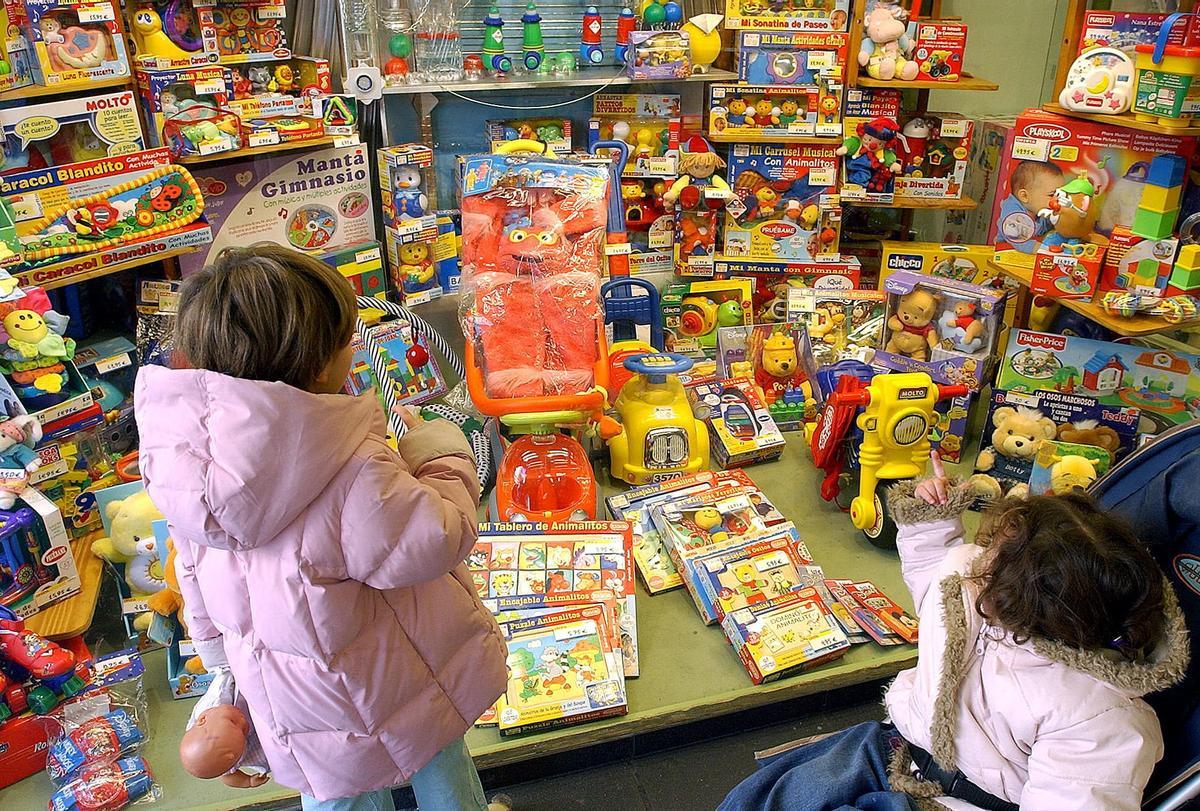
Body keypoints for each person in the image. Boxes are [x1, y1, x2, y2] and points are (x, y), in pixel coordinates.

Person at [135, 245, 511, 811]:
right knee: (438, 761)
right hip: (391, 678)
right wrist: (437, 451)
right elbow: (437, 537)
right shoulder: (352, 466)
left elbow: (191, 571)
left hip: (294, 703)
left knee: (336, 791)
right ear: (318, 365)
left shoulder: (187, 465)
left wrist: (221, 667)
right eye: (346, 343)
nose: (355, 349)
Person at [721, 452, 1189, 811]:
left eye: (990, 559)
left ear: (1013, 604)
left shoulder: (1101, 719)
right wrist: (934, 518)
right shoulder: (972, 586)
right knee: (760, 797)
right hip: (899, 744)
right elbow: (935, 576)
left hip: (966, 799)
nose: (975, 556)